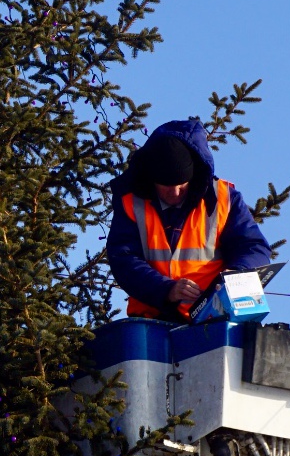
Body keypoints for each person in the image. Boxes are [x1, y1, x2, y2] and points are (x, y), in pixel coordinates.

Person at [107, 118, 272, 322]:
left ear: (193, 176)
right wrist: (166, 289)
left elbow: (254, 247)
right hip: (151, 322)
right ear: (152, 179)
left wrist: (236, 276)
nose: (175, 193)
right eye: (166, 186)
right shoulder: (131, 202)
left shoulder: (224, 199)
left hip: (215, 320)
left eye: (181, 185)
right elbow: (123, 259)